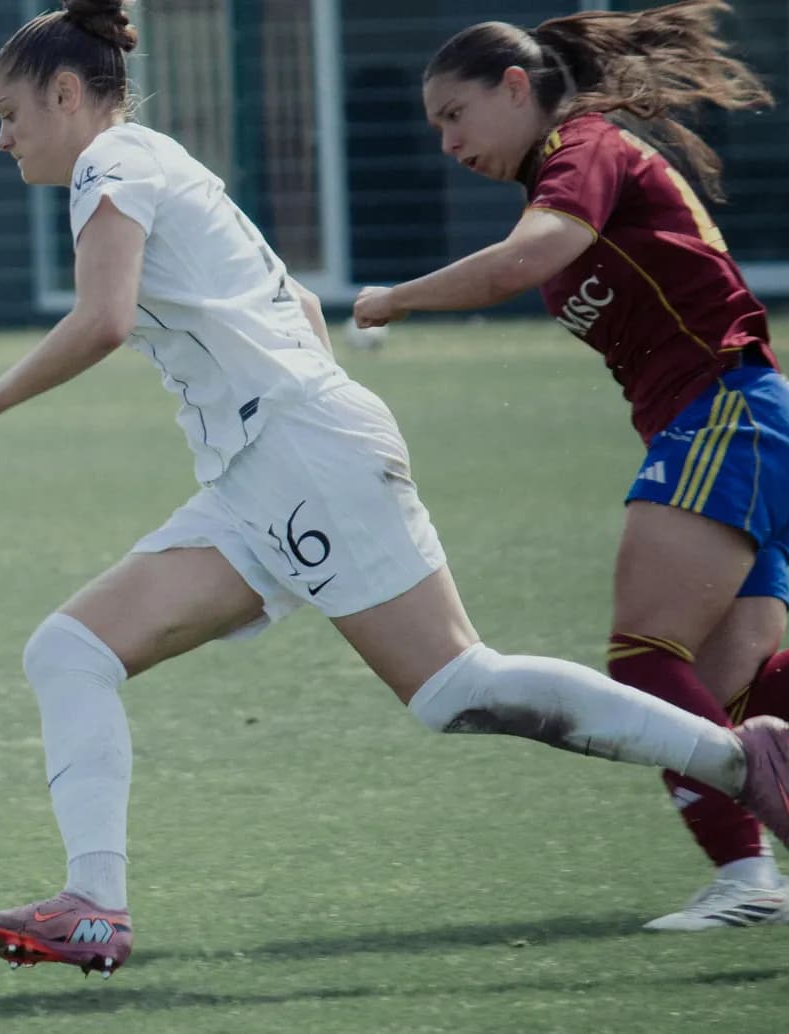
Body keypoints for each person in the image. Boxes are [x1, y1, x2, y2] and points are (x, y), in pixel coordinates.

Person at [0, 0, 789, 978]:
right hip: (269, 468)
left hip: (297, 455)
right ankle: (93, 906)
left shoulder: (109, 165)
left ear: (65, 92)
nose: (2, 137)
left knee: (453, 686)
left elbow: (102, 318)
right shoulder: (160, 160)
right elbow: (293, 299)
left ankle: (743, 761)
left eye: (10, 113)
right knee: (69, 650)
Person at [352, 0, 789, 932]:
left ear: (516, 87)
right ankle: (751, 873)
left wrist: (394, 299)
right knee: (747, 684)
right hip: (732, 423)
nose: (445, 142)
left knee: (643, 659)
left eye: (453, 115)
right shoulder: (565, 167)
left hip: (725, 414)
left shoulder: (580, 147)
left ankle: (748, 879)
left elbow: (533, 257)